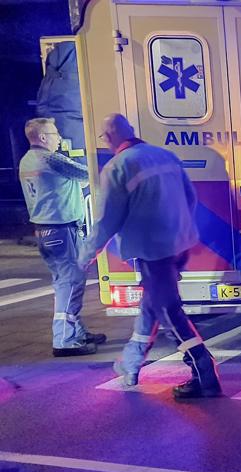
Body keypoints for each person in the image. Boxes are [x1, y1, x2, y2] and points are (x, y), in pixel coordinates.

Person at [79, 113, 222, 399]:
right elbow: (190, 198)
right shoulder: (164, 155)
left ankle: (205, 372)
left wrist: (87, 253)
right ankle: (130, 364)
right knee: (151, 304)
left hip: (152, 251)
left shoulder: (117, 167)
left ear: (108, 138)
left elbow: (107, 220)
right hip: (179, 246)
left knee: (169, 312)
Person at [19, 117, 106, 357]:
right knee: (70, 282)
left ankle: (76, 332)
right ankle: (65, 339)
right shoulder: (51, 159)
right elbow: (86, 174)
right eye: (55, 134)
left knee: (63, 282)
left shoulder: (27, 160)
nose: (60, 138)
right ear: (43, 137)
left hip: (46, 230)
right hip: (61, 230)